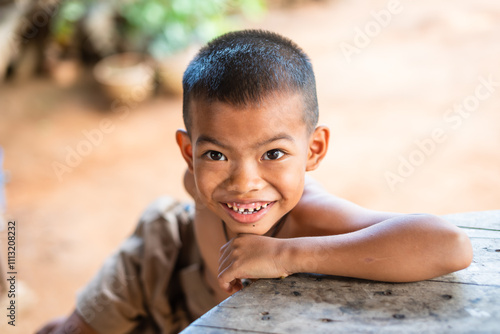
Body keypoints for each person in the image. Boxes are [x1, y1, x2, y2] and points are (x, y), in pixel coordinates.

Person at [37, 30, 473, 334]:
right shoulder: (199, 192)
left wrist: (284, 253)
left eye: (273, 154)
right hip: (161, 265)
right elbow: (193, 186)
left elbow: (447, 244)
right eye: (216, 154)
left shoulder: (310, 220)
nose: (244, 182)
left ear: (315, 150)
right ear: (189, 153)